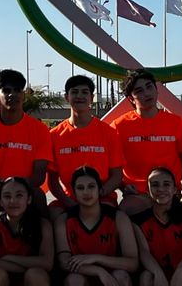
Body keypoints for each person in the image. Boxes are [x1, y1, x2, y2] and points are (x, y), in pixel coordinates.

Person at [108, 69, 182, 215]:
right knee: (126, 210)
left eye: (149, 87)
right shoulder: (118, 126)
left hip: (171, 193)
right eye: (139, 90)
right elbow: (112, 167)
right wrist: (123, 186)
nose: (146, 93)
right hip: (138, 195)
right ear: (131, 99)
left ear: (156, 89)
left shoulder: (176, 123)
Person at [0, 69, 53, 215]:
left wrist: (17, 188)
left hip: (26, 191)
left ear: (24, 95)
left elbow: (38, 176)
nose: (12, 95)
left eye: (17, 90)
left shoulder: (41, 130)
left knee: (39, 198)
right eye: (6, 90)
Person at [48, 75, 127, 208]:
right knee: (53, 216)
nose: (80, 96)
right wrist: (69, 203)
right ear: (66, 97)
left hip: (103, 199)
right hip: (69, 200)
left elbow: (117, 175)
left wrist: (98, 194)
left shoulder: (109, 133)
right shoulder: (54, 135)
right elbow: (52, 180)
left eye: (85, 92)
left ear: (91, 98)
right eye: (74, 92)